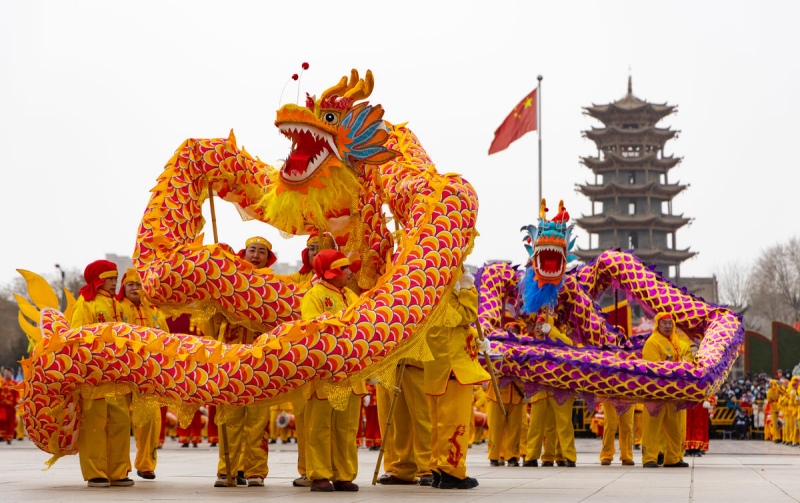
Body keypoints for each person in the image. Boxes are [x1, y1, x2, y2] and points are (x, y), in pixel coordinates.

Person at [201, 236, 277, 488]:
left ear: (268, 258)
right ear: (243, 255)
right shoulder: (229, 284)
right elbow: (211, 316)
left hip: (262, 363)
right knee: (230, 418)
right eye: (252, 250)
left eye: (262, 252)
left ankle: (255, 471)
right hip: (231, 360)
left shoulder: (275, 286)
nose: (256, 255)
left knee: (258, 421)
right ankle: (228, 470)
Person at [300, 249, 363, 492]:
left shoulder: (351, 295)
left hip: (351, 371)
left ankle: (343, 474)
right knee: (319, 426)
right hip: (324, 372)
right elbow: (311, 328)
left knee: (346, 427)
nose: (350, 272)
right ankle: (319, 474)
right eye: (344, 268)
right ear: (332, 272)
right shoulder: (314, 295)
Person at [423, 269, 490, 489]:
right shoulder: (445, 293)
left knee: (439, 425)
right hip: (451, 368)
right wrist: (468, 289)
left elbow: (453, 330)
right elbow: (466, 316)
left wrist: (477, 339)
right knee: (454, 423)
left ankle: (439, 468)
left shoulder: (431, 290)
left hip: (438, 369)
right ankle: (452, 471)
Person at [71, 260, 134, 487]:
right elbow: (76, 336)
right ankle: (95, 472)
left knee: (121, 422)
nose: (114, 283)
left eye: (115, 278)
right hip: (94, 375)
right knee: (95, 424)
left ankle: (119, 471)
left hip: (119, 374)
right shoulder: (86, 303)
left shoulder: (120, 305)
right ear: (98, 280)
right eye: (110, 279)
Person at [116, 268, 168, 480]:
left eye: (139, 284)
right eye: (130, 284)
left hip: (149, 374)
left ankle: (146, 464)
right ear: (123, 287)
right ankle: (120, 466)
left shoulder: (155, 311)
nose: (135, 288)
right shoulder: (116, 308)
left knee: (151, 419)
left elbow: (166, 340)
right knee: (119, 420)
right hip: (120, 372)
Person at [641, 313, 690, 468]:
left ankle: (674, 458)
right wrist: (675, 367)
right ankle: (649, 458)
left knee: (675, 427)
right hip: (656, 392)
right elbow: (653, 367)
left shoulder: (678, 342)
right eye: (665, 323)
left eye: (670, 323)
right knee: (652, 426)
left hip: (675, 393)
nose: (668, 326)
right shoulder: (652, 342)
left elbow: (687, 361)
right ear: (658, 325)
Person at [0, 368, 19, 445]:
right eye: (5, 372)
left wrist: (17, 403)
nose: (6, 373)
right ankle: (1, 435)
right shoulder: (1, 383)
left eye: (8, 372)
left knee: (10, 422)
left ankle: (9, 438)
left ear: (11, 373)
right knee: (1, 419)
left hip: (11, 406)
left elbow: (17, 394)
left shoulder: (15, 383)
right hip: (2, 406)